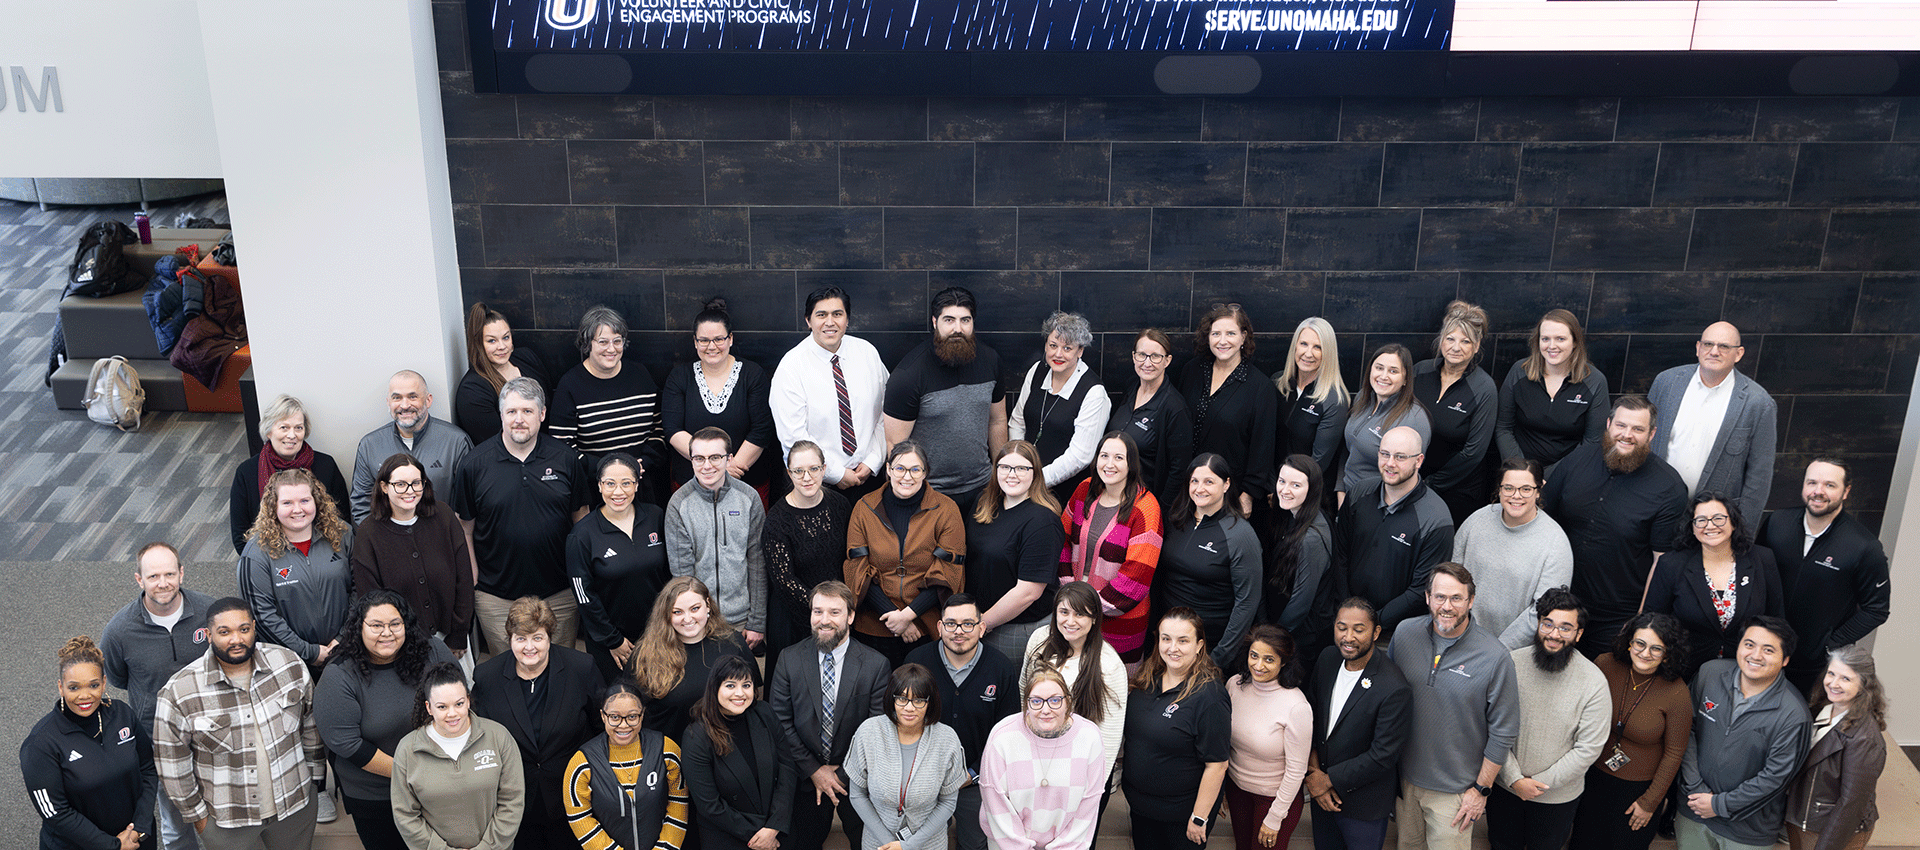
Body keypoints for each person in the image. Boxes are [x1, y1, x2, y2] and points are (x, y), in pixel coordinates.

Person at [153, 598, 327, 850]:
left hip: (295, 808)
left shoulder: (288, 664)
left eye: (244, 629)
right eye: (225, 632)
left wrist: (313, 781)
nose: (236, 639)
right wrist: (199, 819)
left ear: (254, 627)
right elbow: (172, 764)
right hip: (227, 823)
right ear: (208, 635)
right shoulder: (180, 691)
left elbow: (311, 725)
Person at [451, 376, 594, 654]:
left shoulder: (565, 459)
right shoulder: (473, 464)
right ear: (501, 414)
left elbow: (581, 517)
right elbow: (464, 527)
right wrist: (473, 577)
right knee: (506, 675)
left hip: (560, 593)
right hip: (496, 596)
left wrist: (580, 574)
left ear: (542, 414)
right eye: (512, 411)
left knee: (559, 669)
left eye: (527, 411)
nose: (519, 419)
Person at [1541, 395, 1689, 655]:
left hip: (1616, 616)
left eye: (1638, 429)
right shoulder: (1577, 460)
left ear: (1652, 434)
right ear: (1609, 424)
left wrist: (1639, 624)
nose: (1627, 435)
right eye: (1621, 425)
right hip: (1560, 604)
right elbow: (1542, 518)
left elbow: (1661, 563)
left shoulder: (1670, 487)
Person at [1387, 563, 1520, 850]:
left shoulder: (1495, 657)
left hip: (1457, 793)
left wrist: (1481, 790)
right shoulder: (1404, 634)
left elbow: (1504, 731)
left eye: (1456, 598)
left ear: (1471, 601)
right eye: (1439, 597)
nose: (1447, 606)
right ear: (1427, 597)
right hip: (1406, 782)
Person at [313, 591, 457, 850]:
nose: (387, 633)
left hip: (440, 782)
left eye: (395, 624)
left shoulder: (432, 650)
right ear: (359, 628)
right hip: (378, 796)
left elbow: (459, 700)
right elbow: (348, 745)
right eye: (376, 626)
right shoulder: (339, 676)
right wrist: (415, 774)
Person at [101, 542, 216, 850]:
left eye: (169, 573)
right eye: (153, 577)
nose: (162, 583)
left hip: (215, 729)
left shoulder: (210, 612)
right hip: (160, 739)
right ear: (139, 579)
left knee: (222, 816)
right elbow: (118, 678)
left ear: (181, 572)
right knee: (177, 825)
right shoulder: (119, 631)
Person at [470, 596, 606, 850]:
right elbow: (480, 736)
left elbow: (601, 726)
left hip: (574, 794)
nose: (529, 647)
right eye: (520, 638)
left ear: (549, 638)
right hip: (516, 799)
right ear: (509, 639)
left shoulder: (580, 668)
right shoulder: (487, 677)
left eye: (537, 638)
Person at [770, 581, 892, 850]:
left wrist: (840, 776)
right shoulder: (789, 659)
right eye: (817, 612)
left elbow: (876, 729)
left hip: (858, 779)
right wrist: (814, 771)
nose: (824, 621)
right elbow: (780, 723)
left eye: (834, 612)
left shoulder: (875, 665)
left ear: (850, 616)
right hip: (804, 776)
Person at [1757, 457, 1892, 694]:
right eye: (1812, 483)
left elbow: (1877, 610)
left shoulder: (1864, 547)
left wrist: (1830, 644)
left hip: (1813, 667)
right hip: (1764, 651)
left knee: (1798, 725)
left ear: (1846, 491)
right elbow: (1755, 573)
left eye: (1830, 485)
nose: (1818, 492)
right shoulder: (1777, 523)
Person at [1489, 587, 1611, 850]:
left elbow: (1588, 748)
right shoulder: (1510, 663)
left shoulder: (1594, 682)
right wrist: (1514, 779)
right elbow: (1491, 724)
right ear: (1538, 625)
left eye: (1565, 628)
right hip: (1505, 788)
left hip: (1557, 800)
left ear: (1578, 634)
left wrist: (1538, 785)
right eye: (1548, 624)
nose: (1554, 635)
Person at [1677, 616, 1812, 850]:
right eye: (1749, 645)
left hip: (1747, 831)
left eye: (1768, 650)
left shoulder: (1794, 715)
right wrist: (1695, 788)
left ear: (1785, 659)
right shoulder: (1709, 674)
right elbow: (1684, 729)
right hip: (1693, 810)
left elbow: (1775, 778)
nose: (1756, 655)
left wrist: (1720, 804)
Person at [905, 594, 1020, 850]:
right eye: (951, 624)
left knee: (976, 844)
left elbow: (1009, 735)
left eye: (968, 624)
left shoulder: (1001, 669)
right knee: (925, 843)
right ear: (939, 627)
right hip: (926, 780)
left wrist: (972, 773)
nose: (959, 631)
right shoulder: (916, 662)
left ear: (981, 627)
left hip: (977, 781)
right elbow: (902, 723)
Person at [1569, 612, 1693, 850]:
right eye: (1640, 644)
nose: (1645, 654)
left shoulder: (1677, 692)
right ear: (1629, 643)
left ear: (1668, 654)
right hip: (1592, 779)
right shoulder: (1605, 665)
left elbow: (1675, 752)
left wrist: (1650, 802)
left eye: (1657, 649)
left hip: (1638, 792)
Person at [23, 635, 155, 850]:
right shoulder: (41, 744)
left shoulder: (122, 714)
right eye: (74, 688)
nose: (85, 696)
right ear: (60, 687)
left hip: (135, 839)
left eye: (93, 685)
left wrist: (140, 826)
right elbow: (55, 812)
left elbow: (148, 769)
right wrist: (113, 845)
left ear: (104, 683)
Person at [883, 285, 1007, 513]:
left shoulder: (991, 361)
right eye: (949, 320)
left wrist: (1002, 478)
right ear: (934, 322)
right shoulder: (909, 374)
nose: (957, 328)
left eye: (965, 320)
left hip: (982, 489)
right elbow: (895, 446)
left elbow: (997, 421)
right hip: (929, 494)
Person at [845, 440, 965, 669]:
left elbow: (948, 571)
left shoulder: (946, 510)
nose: (906, 476)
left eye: (915, 469)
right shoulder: (864, 507)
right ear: (888, 469)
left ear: (925, 472)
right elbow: (857, 569)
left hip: (925, 627)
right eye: (900, 468)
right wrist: (894, 617)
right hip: (875, 624)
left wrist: (908, 615)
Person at [1304, 598, 1412, 850]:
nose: (1348, 637)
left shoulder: (1393, 687)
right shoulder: (1328, 659)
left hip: (1363, 806)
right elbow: (1310, 720)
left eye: (1358, 629)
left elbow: (1383, 755)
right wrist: (1314, 775)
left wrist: (1327, 780)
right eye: (1341, 627)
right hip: (1322, 797)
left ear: (1375, 633)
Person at [1649, 321, 1778, 524]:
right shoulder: (1667, 382)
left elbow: (1759, 477)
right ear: (1698, 348)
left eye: (1724, 346)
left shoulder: (1758, 403)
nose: (1714, 351)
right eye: (1708, 344)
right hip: (1655, 508)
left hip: (1713, 523)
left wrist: (1743, 533)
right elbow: (1644, 440)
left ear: (1739, 353)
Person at [1123, 608, 1231, 849]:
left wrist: (1199, 817)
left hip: (1182, 817)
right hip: (1141, 809)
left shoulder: (1210, 696)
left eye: (1183, 641)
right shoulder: (1145, 680)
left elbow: (1217, 764)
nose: (1173, 648)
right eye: (1166, 639)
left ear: (1199, 645)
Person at [350, 453, 474, 663]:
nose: (410, 491)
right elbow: (371, 600)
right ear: (384, 487)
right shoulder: (368, 533)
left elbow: (464, 580)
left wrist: (458, 635)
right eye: (400, 484)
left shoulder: (443, 516)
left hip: (451, 640)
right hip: (402, 647)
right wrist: (402, 645)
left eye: (416, 483)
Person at [1644, 494, 1783, 679]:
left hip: (1747, 671)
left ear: (1733, 523)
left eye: (1718, 518)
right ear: (1692, 528)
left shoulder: (1762, 559)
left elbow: (1776, 621)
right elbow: (1653, 620)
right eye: (1701, 520)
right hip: (1685, 670)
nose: (1710, 525)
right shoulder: (1671, 564)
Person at [390, 663, 525, 850]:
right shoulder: (408, 750)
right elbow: (405, 814)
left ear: (468, 700)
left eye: (459, 704)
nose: (452, 714)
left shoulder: (498, 737)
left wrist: (487, 847)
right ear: (429, 708)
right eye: (442, 707)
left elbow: (512, 801)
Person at [772, 285, 890, 497]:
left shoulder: (867, 353)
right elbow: (794, 437)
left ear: (847, 319)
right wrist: (836, 473)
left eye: (837, 314)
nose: (830, 322)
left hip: (870, 478)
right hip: (817, 485)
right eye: (821, 315)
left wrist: (873, 461)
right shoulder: (791, 367)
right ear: (808, 321)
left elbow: (886, 412)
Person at [1337, 425, 1455, 636]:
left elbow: (1422, 589)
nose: (1390, 463)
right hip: (1347, 621)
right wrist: (1349, 613)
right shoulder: (1357, 494)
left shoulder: (1436, 519)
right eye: (1384, 454)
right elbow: (1340, 554)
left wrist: (1372, 623)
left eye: (1400, 457)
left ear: (1418, 461)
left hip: (1396, 633)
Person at [1058, 432, 1163, 664]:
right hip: (1074, 611)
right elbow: (1062, 541)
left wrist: (1085, 605)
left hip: (1120, 617)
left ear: (1131, 464)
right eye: (1104, 456)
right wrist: (1070, 595)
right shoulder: (1084, 489)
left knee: (1112, 685)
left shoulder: (1146, 508)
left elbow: (1136, 577)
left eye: (1118, 457)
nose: (1109, 464)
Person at [1017, 582, 1127, 798]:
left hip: (1081, 768)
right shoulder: (1039, 640)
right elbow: (1024, 692)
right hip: (1038, 756)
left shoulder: (1109, 665)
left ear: (1094, 618)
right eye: (1064, 612)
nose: (1070, 621)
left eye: (1080, 614)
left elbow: (1110, 736)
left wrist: (1092, 791)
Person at [978, 667, 1106, 850]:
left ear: (1068, 702)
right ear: (1026, 704)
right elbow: (994, 802)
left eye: (1055, 700)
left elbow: (1089, 805)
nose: (1046, 710)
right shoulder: (1002, 736)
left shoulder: (1090, 737)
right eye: (1036, 701)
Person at [567, 452, 669, 682]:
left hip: (657, 634)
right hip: (612, 644)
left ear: (636, 485)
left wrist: (664, 629)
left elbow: (670, 575)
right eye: (610, 483)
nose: (618, 492)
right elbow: (584, 596)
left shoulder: (656, 517)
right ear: (599, 486)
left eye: (626, 483)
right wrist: (613, 640)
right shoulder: (582, 535)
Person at [845, 664, 971, 850]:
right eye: (902, 699)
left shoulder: (947, 739)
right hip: (878, 845)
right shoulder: (869, 732)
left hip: (929, 844)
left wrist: (909, 845)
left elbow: (948, 802)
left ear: (930, 702)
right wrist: (889, 842)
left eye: (919, 700)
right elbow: (857, 795)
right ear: (891, 698)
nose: (909, 708)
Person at [1451, 458, 1573, 650]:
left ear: (1538, 490)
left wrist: (1499, 650)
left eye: (1526, 489)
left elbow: (1544, 611)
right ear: (1499, 489)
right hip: (1460, 637)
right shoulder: (1476, 521)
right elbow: (1452, 577)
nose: (1516, 496)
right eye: (1508, 488)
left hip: (1513, 652)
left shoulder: (1556, 543)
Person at [680, 654, 799, 850]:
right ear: (715, 688)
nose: (740, 693)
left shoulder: (765, 713)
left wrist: (774, 826)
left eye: (746, 685)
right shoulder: (696, 736)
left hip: (776, 831)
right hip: (729, 836)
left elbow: (787, 767)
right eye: (730, 685)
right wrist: (760, 835)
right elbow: (709, 805)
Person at [237, 467, 351, 667]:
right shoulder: (256, 554)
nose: (298, 510)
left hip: (346, 651)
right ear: (273, 507)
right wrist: (309, 652)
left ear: (316, 501)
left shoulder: (342, 534)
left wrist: (343, 638)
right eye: (287, 503)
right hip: (290, 661)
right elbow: (262, 616)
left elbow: (361, 589)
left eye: (305, 501)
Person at [1156, 454, 1261, 668]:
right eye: (1194, 481)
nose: (1199, 488)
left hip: (1208, 649)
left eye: (1209, 482)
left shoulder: (1239, 534)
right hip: (1168, 642)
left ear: (1226, 484)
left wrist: (1219, 657)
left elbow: (1247, 602)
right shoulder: (1177, 519)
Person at [666, 427, 768, 646]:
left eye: (715, 457)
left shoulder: (748, 498)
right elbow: (682, 574)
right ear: (691, 460)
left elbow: (758, 562)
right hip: (699, 622)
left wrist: (757, 622)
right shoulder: (678, 504)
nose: (707, 466)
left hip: (742, 622)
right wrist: (694, 619)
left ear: (729, 458)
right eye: (699, 458)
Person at [663, 297, 777, 492]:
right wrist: (709, 467)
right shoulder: (680, 376)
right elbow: (672, 429)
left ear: (730, 339)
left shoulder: (752, 374)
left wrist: (727, 471)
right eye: (704, 340)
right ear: (695, 342)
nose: (711, 346)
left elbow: (762, 429)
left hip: (745, 481)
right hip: (692, 483)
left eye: (719, 339)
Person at [628, 575, 758, 744]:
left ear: (708, 606)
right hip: (670, 753)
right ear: (666, 614)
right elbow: (631, 710)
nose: (688, 619)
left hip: (725, 749)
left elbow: (753, 695)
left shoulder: (733, 643)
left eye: (695, 609)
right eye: (677, 612)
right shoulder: (645, 654)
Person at [563, 680, 691, 850]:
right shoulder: (582, 762)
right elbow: (579, 817)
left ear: (642, 715)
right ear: (603, 716)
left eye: (632, 716)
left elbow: (678, 802)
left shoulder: (666, 750)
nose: (623, 725)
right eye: (615, 717)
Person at [1177, 302, 1278, 517]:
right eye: (1216, 334)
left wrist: (1248, 495)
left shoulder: (1260, 387)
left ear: (1243, 337)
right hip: (1187, 489)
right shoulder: (1191, 371)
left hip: (1230, 497)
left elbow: (1263, 448)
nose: (1222, 341)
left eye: (1230, 333)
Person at [967, 441, 1065, 661]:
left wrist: (981, 624)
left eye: (1022, 468)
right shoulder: (984, 504)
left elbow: (1028, 592)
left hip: (1014, 629)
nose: (1012, 474)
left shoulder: (1043, 521)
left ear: (1035, 473)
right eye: (1005, 467)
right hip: (978, 622)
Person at [1785, 646, 1888, 850]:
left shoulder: (1865, 739)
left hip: (1831, 831)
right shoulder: (1821, 707)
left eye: (1846, 679)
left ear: (1864, 685)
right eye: (1831, 673)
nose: (1833, 683)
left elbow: (1852, 803)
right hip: (1803, 820)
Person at [549, 304, 668, 478]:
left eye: (617, 341)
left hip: (643, 481)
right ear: (587, 343)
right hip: (595, 486)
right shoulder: (570, 385)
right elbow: (561, 447)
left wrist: (643, 462)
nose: (611, 349)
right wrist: (609, 470)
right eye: (603, 342)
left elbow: (659, 427)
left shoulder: (640, 375)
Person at [764, 440, 854, 667]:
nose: (807, 477)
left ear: (824, 469)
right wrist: (822, 609)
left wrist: (836, 609)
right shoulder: (776, 520)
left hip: (835, 611)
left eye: (814, 469)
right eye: (799, 471)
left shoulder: (840, 505)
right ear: (789, 473)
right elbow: (784, 580)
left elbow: (850, 558)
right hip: (793, 616)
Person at [1008, 311, 1111, 505]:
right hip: (1022, 484)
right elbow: (1017, 421)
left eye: (1067, 348)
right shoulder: (1037, 371)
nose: (1058, 354)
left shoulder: (1094, 393)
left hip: (1063, 495)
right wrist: (1017, 465)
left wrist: (1035, 480)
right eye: (1053, 345)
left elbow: (1080, 457)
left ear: (1080, 351)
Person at [1224, 625, 1312, 850]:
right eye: (1254, 656)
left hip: (1274, 800)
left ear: (1284, 662)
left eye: (1269, 659)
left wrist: (1275, 817)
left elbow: (1296, 770)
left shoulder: (1296, 706)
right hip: (1237, 791)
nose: (1259, 665)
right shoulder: (1234, 685)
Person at [227, 394, 350, 554]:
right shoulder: (247, 472)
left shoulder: (325, 465)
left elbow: (341, 519)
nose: (292, 435)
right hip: (269, 558)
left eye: (298, 428)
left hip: (322, 555)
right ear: (269, 431)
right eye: (284, 427)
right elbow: (240, 534)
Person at [348, 370, 472, 524]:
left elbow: (468, 502)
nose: (405, 405)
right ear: (388, 402)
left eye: (412, 397)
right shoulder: (369, 446)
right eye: (397, 398)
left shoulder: (456, 441)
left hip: (443, 539)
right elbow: (361, 505)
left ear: (428, 400)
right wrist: (379, 542)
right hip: (390, 542)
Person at [1412, 301, 1498, 524]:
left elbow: (1473, 453)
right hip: (1410, 480)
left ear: (1477, 346)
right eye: (1450, 339)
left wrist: (1430, 484)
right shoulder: (1420, 371)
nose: (1455, 347)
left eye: (1465, 341)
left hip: (1457, 491)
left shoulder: (1484, 388)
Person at [1496, 309, 1609, 469]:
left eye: (1560, 339)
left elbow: (1593, 442)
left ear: (1575, 342)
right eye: (1545, 339)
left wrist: (1550, 476)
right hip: (1519, 470)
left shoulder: (1595, 382)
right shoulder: (1519, 371)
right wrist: (1523, 471)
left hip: (1569, 472)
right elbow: (1503, 427)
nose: (1552, 346)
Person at [1107, 328, 1193, 505]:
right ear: (1133, 357)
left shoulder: (1174, 408)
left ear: (1167, 361)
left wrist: (1161, 509)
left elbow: (1179, 470)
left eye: (1155, 356)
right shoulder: (1132, 388)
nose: (1147, 363)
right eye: (1142, 355)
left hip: (1146, 503)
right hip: (1114, 495)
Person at [1339, 343, 1431, 500]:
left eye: (1393, 371)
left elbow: (1406, 479)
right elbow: (1349, 453)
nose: (1383, 376)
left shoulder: (1415, 420)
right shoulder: (1363, 397)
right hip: (1346, 498)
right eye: (1379, 368)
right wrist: (1341, 495)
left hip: (1374, 505)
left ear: (1405, 379)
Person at [455, 302, 550, 445]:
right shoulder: (472, 390)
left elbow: (549, 404)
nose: (502, 346)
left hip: (546, 445)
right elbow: (496, 442)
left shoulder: (526, 357)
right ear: (478, 344)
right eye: (492, 341)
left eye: (506, 337)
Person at [1264, 455, 1333, 651]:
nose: (1284, 490)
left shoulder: (1312, 538)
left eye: (1295, 485)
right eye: (1282, 481)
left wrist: (1272, 639)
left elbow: (1301, 602)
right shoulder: (1293, 516)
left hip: (1302, 641)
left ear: (1311, 490)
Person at [1275, 316, 1350, 483]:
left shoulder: (1334, 400)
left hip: (1304, 490)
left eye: (1318, 347)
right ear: (1295, 346)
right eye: (1304, 344)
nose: (1308, 353)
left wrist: (1286, 486)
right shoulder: (1279, 384)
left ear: (1328, 353)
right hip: (1272, 486)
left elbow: (1318, 462)